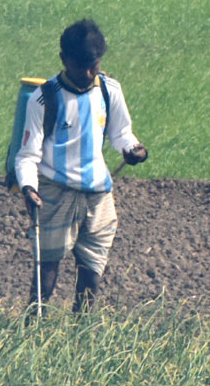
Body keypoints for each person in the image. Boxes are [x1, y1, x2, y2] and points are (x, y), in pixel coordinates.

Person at [13, 19, 146, 313]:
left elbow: (121, 133)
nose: (87, 73)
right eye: (80, 66)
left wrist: (133, 149)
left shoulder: (110, 90)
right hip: (55, 193)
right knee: (46, 274)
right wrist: (28, 188)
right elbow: (27, 155)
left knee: (92, 272)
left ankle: (81, 330)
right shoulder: (44, 98)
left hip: (98, 195)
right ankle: (33, 326)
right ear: (64, 60)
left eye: (93, 66)